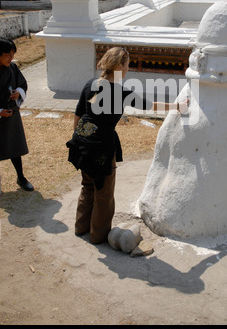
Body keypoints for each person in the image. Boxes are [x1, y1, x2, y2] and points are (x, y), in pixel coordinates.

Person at [66, 46, 188, 244]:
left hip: (82, 143)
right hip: (101, 148)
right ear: (120, 66)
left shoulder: (91, 83)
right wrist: (177, 107)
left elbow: (78, 112)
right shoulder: (120, 92)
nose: (128, 67)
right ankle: (97, 235)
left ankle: (80, 228)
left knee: (87, 186)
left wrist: (77, 140)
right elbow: (151, 105)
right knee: (103, 193)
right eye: (127, 64)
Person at [0, 37, 34, 191]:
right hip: (1, 114)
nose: (11, 58)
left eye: (12, 54)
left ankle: (21, 178)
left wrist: (18, 93)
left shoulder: (12, 68)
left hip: (11, 114)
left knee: (14, 147)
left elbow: (22, 84)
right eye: (8, 55)